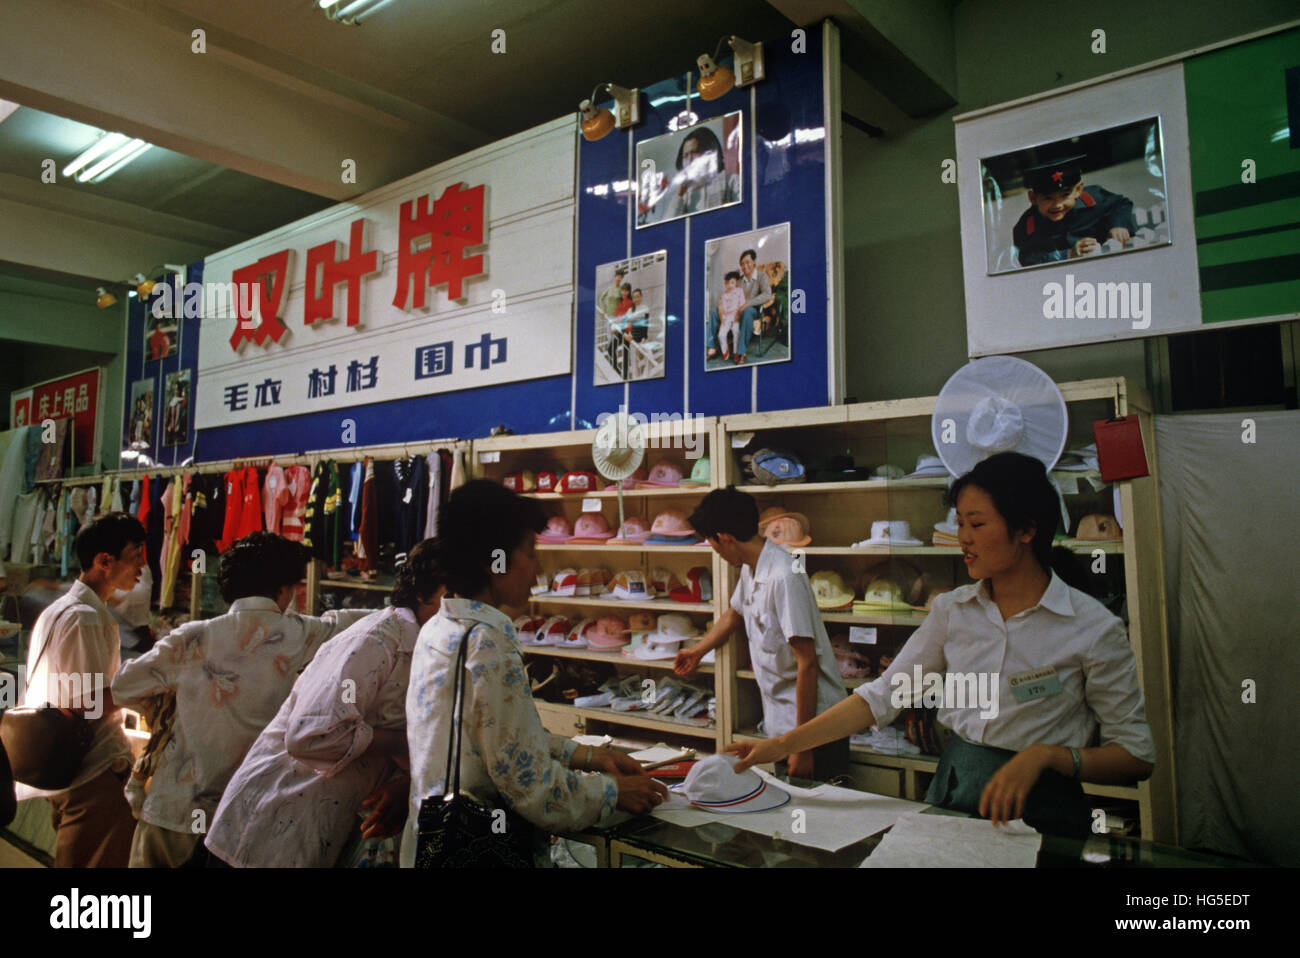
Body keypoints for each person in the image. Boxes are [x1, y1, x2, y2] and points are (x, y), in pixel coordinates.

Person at [730, 453, 1156, 837]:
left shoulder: (1093, 628)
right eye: (959, 525)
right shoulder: (954, 612)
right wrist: (782, 745)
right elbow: (879, 698)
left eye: (976, 524)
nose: (962, 538)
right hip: (957, 791)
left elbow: (1135, 757)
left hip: (1048, 814)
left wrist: (1050, 757)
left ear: (1026, 529)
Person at [400, 480, 668, 867]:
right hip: (479, 851)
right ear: (492, 560)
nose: (538, 566)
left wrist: (587, 756)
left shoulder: (438, 629)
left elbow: (499, 737)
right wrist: (612, 793)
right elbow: (531, 787)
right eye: (530, 551)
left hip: (431, 842)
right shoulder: (487, 644)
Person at [111, 531, 377, 868]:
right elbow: (358, 623)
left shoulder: (192, 638)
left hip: (175, 809)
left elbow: (122, 687)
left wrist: (166, 706)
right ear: (284, 589)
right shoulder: (299, 634)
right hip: (241, 821)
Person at [204, 540, 445, 867]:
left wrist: (407, 780)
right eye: (455, 594)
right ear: (422, 593)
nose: (465, 608)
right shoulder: (378, 641)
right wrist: (403, 742)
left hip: (316, 830)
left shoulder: (434, 650)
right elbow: (312, 734)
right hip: (268, 827)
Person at [675, 488, 849, 779]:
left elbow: (807, 663)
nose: (715, 552)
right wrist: (697, 651)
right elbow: (734, 614)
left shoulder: (785, 576)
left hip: (815, 730)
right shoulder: (751, 567)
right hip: (783, 726)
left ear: (725, 538)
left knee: (815, 816)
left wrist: (802, 747)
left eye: (713, 545)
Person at [15, 513, 146, 867]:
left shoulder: (61, 610)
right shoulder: (84, 616)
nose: (143, 565)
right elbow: (84, 701)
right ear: (106, 560)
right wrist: (142, 691)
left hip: (65, 769)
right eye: (137, 554)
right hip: (92, 773)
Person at [1011, 155, 1137, 267]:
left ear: (1078, 190)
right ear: (1033, 198)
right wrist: (1068, 254)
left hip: (1111, 260)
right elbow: (1029, 259)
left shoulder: (1094, 198)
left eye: (1065, 195)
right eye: (1047, 198)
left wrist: (1118, 225)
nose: (1058, 205)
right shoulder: (1027, 226)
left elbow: (1120, 204)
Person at [662, 126, 740, 221]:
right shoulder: (684, 195)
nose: (690, 160)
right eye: (685, 155)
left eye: (694, 152)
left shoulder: (731, 181)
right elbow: (668, 225)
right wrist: (680, 194)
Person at [708, 249, 770, 364]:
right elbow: (727, 295)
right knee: (714, 312)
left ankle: (741, 352)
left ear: (754, 261)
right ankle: (712, 347)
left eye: (747, 262)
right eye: (742, 264)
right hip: (734, 311)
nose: (745, 266)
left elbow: (767, 294)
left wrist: (748, 303)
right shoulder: (738, 280)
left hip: (752, 310)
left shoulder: (762, 276)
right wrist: (721, 307)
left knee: (746, 312)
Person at [715, 271, 747, 360]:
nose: (730, 285)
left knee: (736, 332)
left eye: (732, 283)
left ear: (736, 282)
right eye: (727, 283)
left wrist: (738, 316)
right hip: (726, 317)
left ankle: (736, 352)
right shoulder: (724, 295)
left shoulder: (739, 291)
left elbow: (742, 305)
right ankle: (725, 350)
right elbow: (721, 308)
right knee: (721, 335)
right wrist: (722, 318)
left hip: (736, 315)